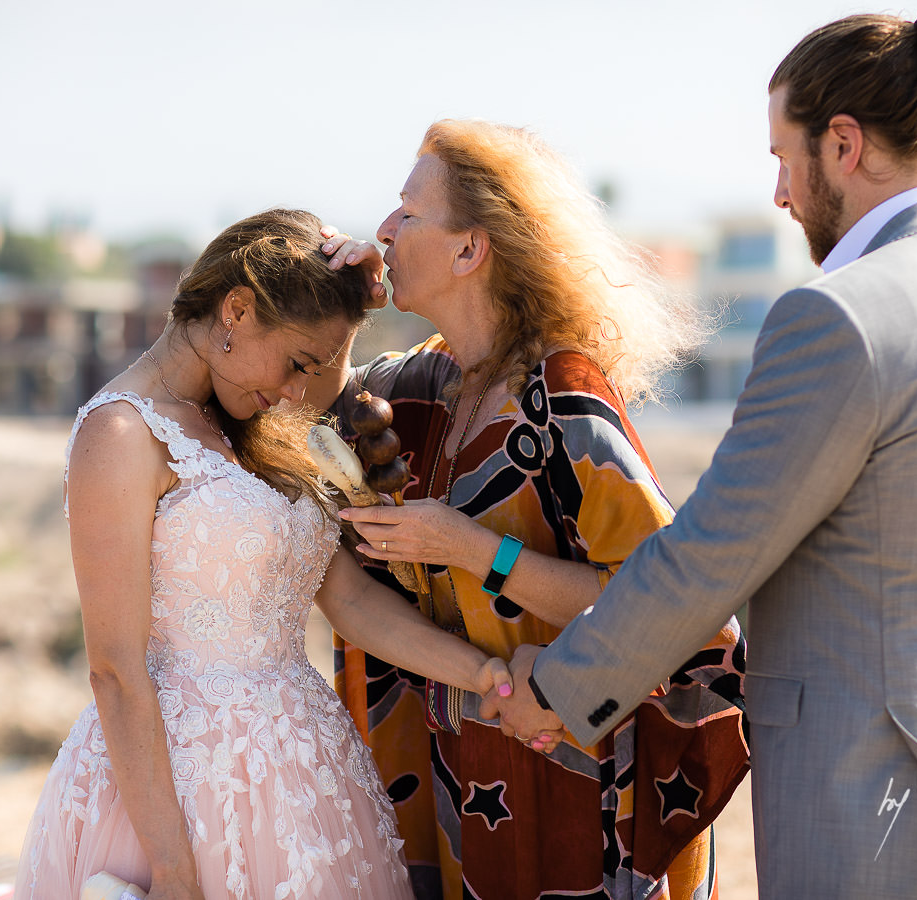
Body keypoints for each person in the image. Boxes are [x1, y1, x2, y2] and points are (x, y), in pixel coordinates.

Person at [488, 4, 917, 899]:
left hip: (871, 803)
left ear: (842, 143)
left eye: (782, 155)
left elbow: (710, 556)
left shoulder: (839, 315)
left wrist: (560, 687)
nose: (778, 193)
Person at [14, 209, 517, 900]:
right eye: (296, 363)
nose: (293, 391)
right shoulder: (121, 433)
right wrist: (174, 871)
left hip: (304, 776)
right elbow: (116, 671)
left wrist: (487, 675)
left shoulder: (252, 426)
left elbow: (349, 601)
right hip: (177, 796)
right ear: (237, 309)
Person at [313, 120, 750, 899]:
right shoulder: (426, 387)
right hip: (467, 799)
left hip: (582, 801)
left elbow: (667, 607)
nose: (382, 229)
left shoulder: (563, 400)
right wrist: (339, 303)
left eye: (407, 213)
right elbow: (308, 405)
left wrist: (475, 551)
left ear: (469, 249)